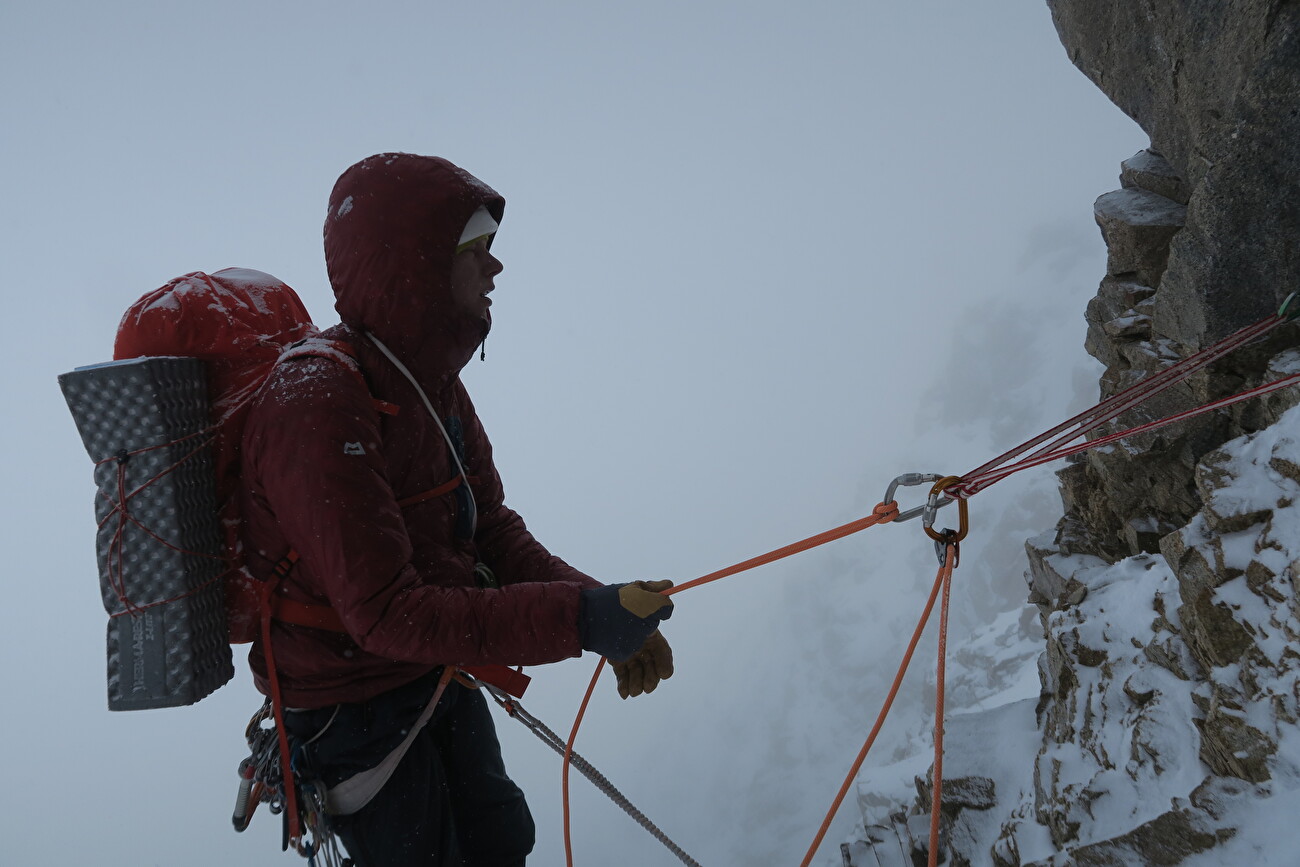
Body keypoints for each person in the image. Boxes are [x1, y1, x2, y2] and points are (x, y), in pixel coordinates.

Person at [238, 153, 676, 866]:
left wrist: (601, 604)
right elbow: (386, 612)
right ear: (412, 266)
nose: (495, 270)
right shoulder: (316, 404)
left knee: (503, 840)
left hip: (428, 671)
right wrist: (581, 620)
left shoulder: (426, 382)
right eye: (475, 252)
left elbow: (491, 531)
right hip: (350, 714)